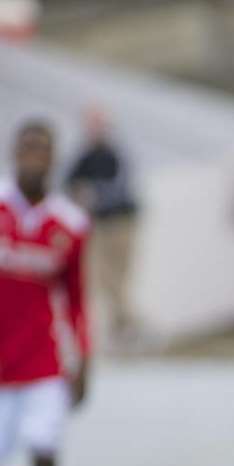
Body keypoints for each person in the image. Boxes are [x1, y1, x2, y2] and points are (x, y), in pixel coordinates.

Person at [0, 120, 90, 466]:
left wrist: (85, 358)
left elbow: (77, 300)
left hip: (43, 367)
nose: (35, 156)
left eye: (44, 149)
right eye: (28, 146)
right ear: (16, 151)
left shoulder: (70, 223)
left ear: (54, 158)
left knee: (45, 455)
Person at [66, 107, 138, 349]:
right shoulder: (85, 156)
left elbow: (121, 188)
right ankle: (101, 330)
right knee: (95, 277)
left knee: (116, 278)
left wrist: (94, 194)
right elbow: (68, 183)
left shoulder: (115, 154)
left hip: (119, 223)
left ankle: (124, 328)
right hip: (96, 225)